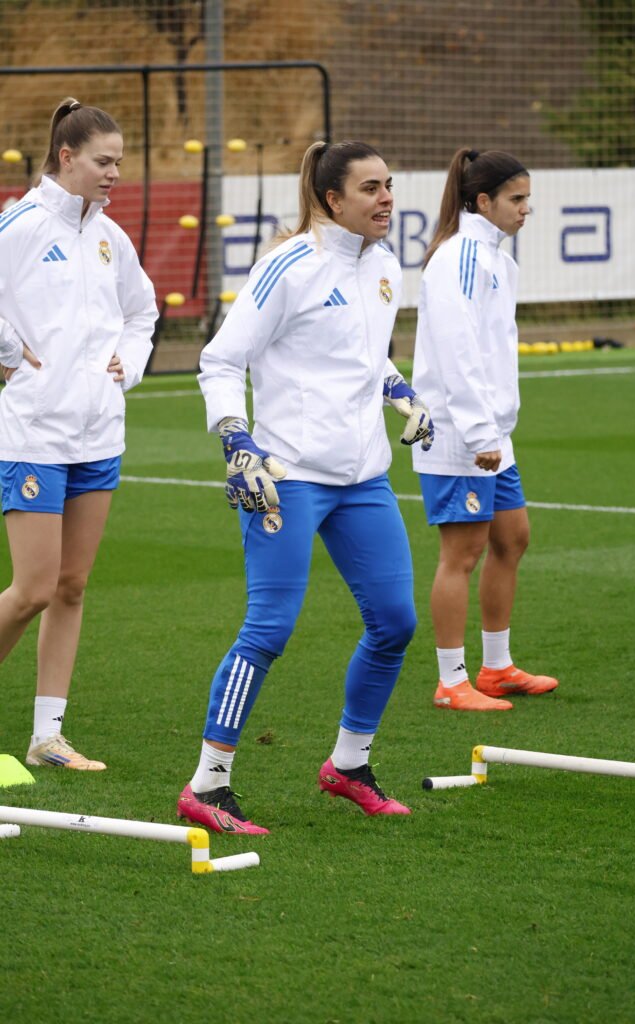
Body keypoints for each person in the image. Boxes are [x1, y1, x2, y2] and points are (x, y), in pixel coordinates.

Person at [178, 140, 434, 834]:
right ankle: (208, 784)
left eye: (389, 185)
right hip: (285, 476)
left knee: (395, 622)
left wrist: (399, 390)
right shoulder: (286, 265)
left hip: (364, 481)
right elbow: (220, 359)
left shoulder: (383, 264)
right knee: (268, 629)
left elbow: (362, 354)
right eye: (371, 189)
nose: (386, 199)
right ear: (331, 200)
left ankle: (347, 766)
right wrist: (237, 439)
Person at [0, 97, 157, 767]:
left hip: (100, 436)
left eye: (119, 162)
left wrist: (130, 364)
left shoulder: (108, 235)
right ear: (67, 158)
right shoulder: (23, 222)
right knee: (32, 588)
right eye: (103, 160)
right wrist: (9, 353)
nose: (114, 172)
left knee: (71, 586)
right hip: (34, 432)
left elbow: (142, 313)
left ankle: (47, 737)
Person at [411, 147, 559, 712]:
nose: (526, 210)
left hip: (491, 432)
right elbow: (457, 352)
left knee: (512, 538)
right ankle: (452, 681)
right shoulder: (460, 258)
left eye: (528, 199)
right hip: (458, 435)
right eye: (517, 199)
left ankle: (496, 668)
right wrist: (478, 434)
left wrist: (494, 430)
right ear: (483, 201)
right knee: (462, 552)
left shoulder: (499, 258)